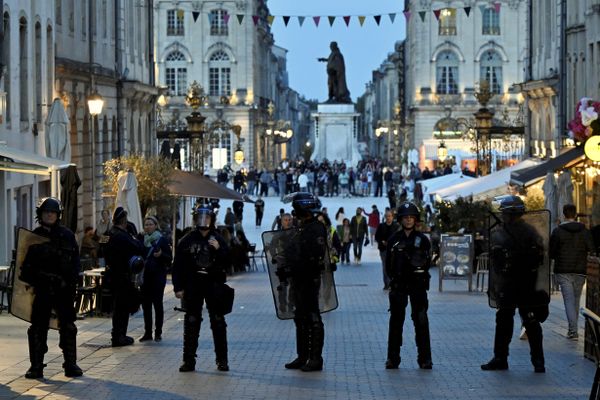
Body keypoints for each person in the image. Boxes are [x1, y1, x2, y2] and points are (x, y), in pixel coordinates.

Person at [481, 196, 547, 373]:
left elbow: (496, 258)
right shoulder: (530, 231)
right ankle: (537, 361)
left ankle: (501, 358)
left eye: (505, 213)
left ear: (509, 214)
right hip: (525, 284)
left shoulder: (503, 233)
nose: (503, 217)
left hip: (511, 284)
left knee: (506, 321)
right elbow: (541, 256)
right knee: (529, 321)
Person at [19, 198, 83, 379]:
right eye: (46, 212)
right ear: (40, 214)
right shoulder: (33, 237)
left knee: (68, 327)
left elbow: (76, 263)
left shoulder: (67, 235)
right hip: (42, 291)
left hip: (63, 291)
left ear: (58, 215)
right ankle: (36, 366)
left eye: (53, 212)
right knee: (38, 328)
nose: (49, 214)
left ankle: (70, 364)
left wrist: (69, 281)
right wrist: (42, 279)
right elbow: (25, 270)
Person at [173, 206, 231, 372]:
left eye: (207, 217)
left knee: (218, 322)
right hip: (193, 285)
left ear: (212, 219)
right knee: (191, 321)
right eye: (201, 217)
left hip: (213, 284)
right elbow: (178, 266)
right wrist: (178, 287)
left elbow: (229, 262)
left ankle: (222, 360)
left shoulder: (218, 239)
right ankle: (189, 360)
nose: (204, 220)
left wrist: (219, 250)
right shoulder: (187, 240)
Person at [282, 193, 329, 372]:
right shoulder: (301, 228)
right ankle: (302, 356)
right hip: (298, 278)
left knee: (312, 317)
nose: (294, 215)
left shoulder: (316, 228)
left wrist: (297, 262)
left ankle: (315, 358)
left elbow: (313, 255)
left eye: (296, 210)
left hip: (309, 278)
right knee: (300, 318)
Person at [385, 202, 433, 370]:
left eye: (411, 217)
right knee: (396, 322)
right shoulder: (393, 240)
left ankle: (425, 358)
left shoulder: (423, 240)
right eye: (406, 217)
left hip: (418, 286)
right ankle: (393, 358)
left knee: (421, 321)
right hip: (399, 285)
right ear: (400, 219)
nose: (409, 220)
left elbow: (428, 263)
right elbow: (388, 267)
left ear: (416, 219)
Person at [549, 204, 594, 339]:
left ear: (563, 214)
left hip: (563, 270)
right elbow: (591, 248)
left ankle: (573, 330)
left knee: (569, 300)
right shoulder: (585, 231)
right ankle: (572, 329)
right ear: (575, 215)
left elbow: (551, 253)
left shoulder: (557, 231)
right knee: (575, 299)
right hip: (580, 270)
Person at [104, 206, 145, 347]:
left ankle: (117, 335)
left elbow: (99, 250)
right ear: (124, 221)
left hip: (110, 275)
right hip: (122, 276)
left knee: (118, 307)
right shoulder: (123, 236)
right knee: (123, 307)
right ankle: (119, 336)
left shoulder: (108, 233)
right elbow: (139, 248)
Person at [139, 216, 172, 343]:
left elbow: (169, 259)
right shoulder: (141, 239)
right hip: (145, 276)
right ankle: (148, 332)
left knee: (157, 304)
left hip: (158, 276)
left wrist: (161, 255)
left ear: (155, 225)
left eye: (150, 224)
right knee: (146, 305)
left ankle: (158, 332)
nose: (147, 226)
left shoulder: (161, 240)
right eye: (146, 224)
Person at [375, 210, 399, 290]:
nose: (388, 218)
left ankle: (392, 282)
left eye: (390, 216)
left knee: (392, 266)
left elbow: (399, 237)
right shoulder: (381, 226)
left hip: (393, 249)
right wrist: (382, 241)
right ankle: (387, 283)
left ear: (392, 217)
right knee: (385, 266)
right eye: (387, 216)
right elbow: (377, 237)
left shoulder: (396, 226)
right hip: (383, 249)